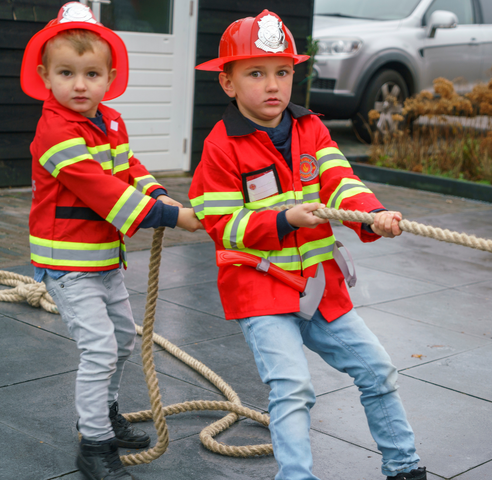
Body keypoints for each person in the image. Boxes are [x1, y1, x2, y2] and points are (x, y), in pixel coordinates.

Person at [189, 10, 426, 480]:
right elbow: (219, 224)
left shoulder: (311, 128)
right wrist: (282, 221)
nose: (273, 85)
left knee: (378, 371)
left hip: (319, 287)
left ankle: (404, 466)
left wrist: (372, 215)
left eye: (283, 72)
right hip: (261, 292)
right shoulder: (221, 147)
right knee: (293, 388)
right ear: (228, 83)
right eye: (255, 73)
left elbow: (340, 182)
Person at [20, 3, 202, 479]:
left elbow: (128, 169)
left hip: (103, 259)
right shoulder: (55, 131)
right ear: (45, 76)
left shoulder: (111, 121)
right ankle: (93, 443)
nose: (80, 85)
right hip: (67, 263)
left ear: (109, 76)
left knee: (122, 339)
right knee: (99, 347)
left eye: (91, 74)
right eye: (67, 73)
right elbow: (100, 189)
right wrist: (169, 215)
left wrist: (158, 192)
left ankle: (104, 413)